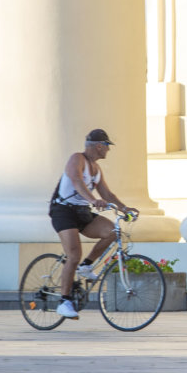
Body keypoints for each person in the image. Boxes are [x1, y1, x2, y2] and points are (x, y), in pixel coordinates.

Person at [48, 128, 138, 319]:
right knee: (73, 255)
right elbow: (77, 181)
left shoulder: (96, 169)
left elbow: (107, 194)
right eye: (107, 146)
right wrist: (92, 200)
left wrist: (125, 209)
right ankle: (64, 302)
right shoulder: (77, 159)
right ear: (99, 146)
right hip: (63, 212)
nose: (108, 150)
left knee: (113, 231)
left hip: (82, 213)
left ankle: (86, 266)